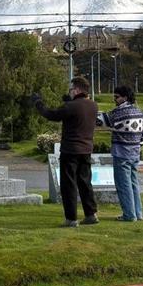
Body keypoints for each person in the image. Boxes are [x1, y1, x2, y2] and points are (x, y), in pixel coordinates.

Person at [33, 76, 99, 227]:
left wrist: (38, 103)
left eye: (70, 89)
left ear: (76, 89)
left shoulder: (71, 106)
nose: (69, 92)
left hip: (71, 150)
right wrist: (69, 102)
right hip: (86, 149)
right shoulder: (93, 105)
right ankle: (91, 214)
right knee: (85, 182)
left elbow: (51, 114)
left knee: (68, 184)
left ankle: (71, 218)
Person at [97, 85, 143, 222]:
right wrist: (137, 145)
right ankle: (138, 213)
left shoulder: (118, 113)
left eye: (116, 97)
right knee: (134, 184)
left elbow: (100, 121)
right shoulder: (139, 112)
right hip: (135, 152)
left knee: (123, 186)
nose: (115, 99)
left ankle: (129, 215)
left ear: (124, 97)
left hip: (121, 153)